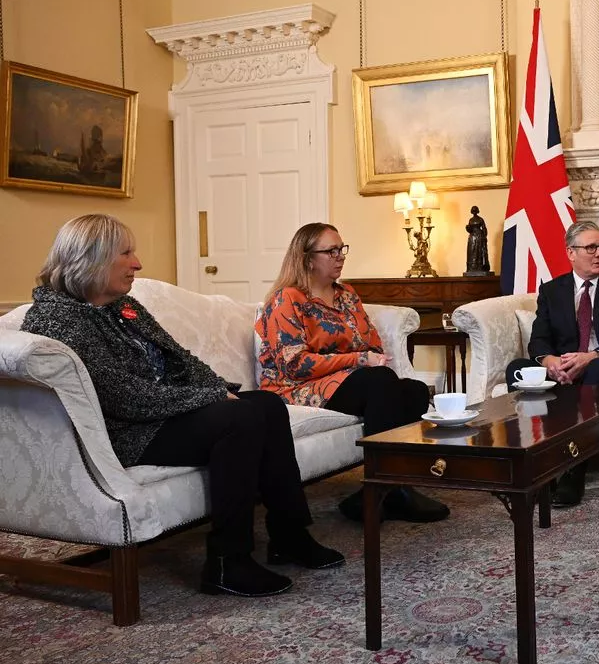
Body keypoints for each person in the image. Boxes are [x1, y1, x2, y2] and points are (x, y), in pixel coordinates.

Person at [21, 214, 344, 599]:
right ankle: (227, 561)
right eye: (126, 253)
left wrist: (218, 388)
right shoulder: (58, 318)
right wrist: (209, 398)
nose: (137, 263)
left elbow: (180, 359)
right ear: (91, 258)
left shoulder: (123, 306)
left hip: (164, 414)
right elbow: (122, 397)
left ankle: (289, 534)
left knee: (266, 406)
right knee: (239, 419)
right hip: (128, 432)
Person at [257, 223, 450, 525]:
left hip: (347, 380)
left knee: (413, 390)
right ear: (307, 258)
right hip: (295, 386)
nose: (340, 256)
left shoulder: (347, 295)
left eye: (341, 249)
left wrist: (367, 357)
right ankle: (389, 488)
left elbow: (370, 341)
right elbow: (294, 364)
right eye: (331, 251)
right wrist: (359, 358)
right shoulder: (287, 300)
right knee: (379, 382)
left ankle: (386, 488)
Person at [505, 220, 599, 507]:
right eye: (591, 247)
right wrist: (550, 361)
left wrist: (592, 356)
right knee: (516, 369)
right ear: (571, 253)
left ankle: (573, 469)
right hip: (563, 367)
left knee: (593, 368)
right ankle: (532, 464)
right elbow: (539, 339)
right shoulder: (552, 290)